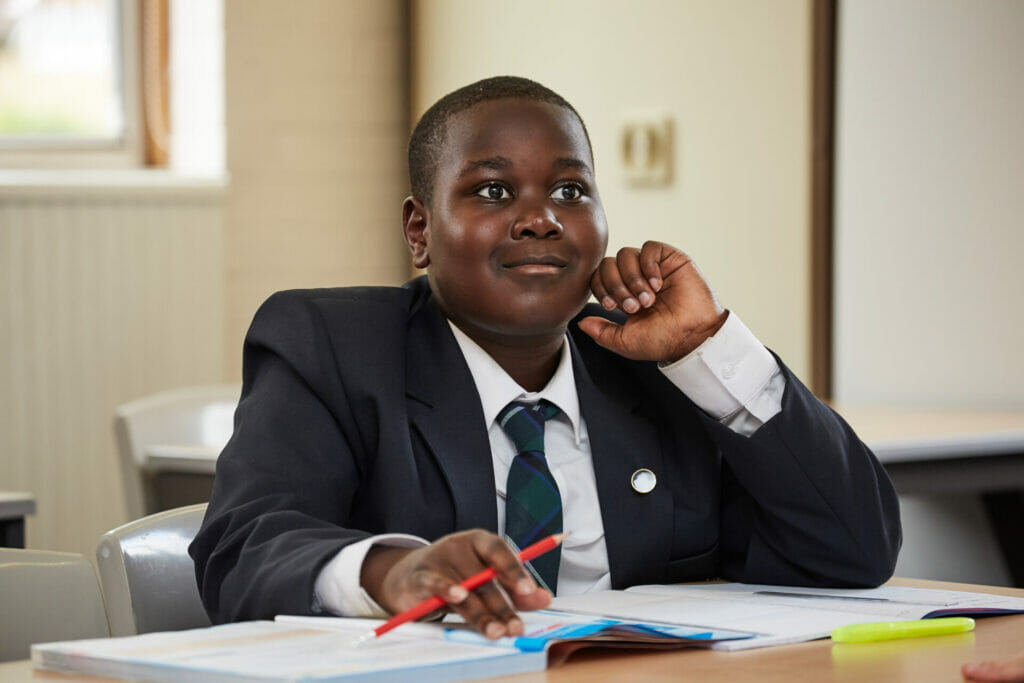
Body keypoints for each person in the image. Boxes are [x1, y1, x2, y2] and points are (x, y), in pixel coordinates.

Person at [190, 75, 901, 640]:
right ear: (420, 230)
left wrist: (705, 346)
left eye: (570, 190)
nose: (541, 217)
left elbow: (854, 548)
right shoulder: (334, 347)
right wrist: (397, 569)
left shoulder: (657, 369)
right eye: (493, 191)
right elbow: (244, 548)